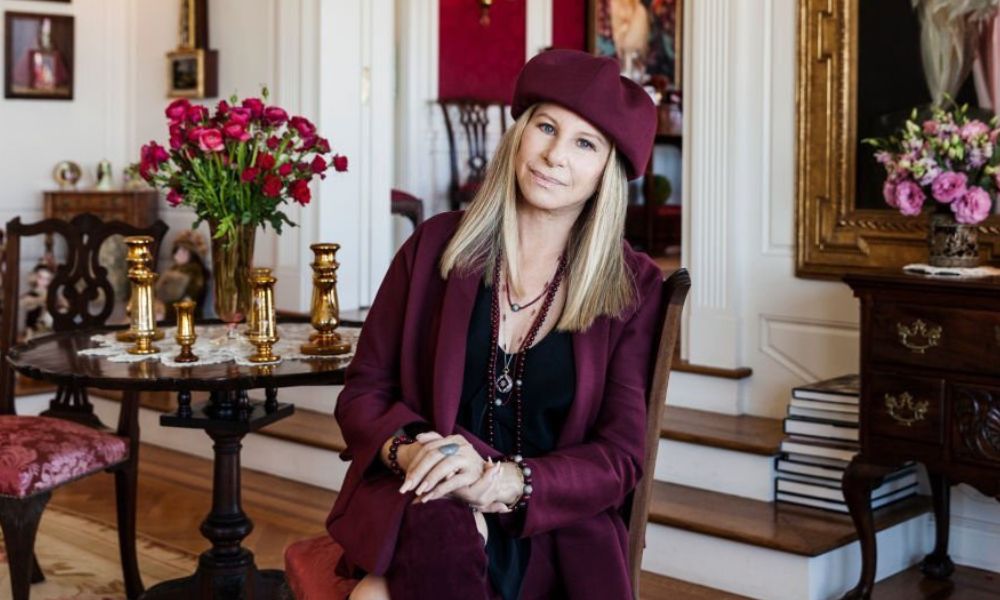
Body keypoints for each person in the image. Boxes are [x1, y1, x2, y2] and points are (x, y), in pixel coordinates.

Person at [328, 49, 660, 600]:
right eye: (546, 127)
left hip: (549, 529)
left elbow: (619, 457)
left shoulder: (633, 287)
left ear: (610, 170)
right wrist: (412, 453)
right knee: (438, 521)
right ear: (519, 134)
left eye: (585, 144)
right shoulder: (433, 245)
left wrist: (505, 482)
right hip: (423, 498)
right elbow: (364, 392)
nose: (554, 155)